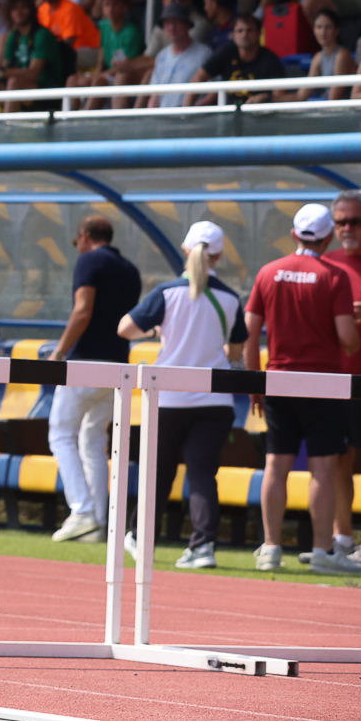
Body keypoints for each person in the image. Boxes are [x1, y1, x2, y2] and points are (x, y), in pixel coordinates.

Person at [117, 221, 247, 570]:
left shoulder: (166, 292)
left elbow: (125, 328)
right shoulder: (230, 298)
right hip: (214, 401)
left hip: (168, 399)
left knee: (158, 473)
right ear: (219, 256)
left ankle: (140, 537)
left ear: (186, 250)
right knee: (202, 475)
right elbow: (236, 352)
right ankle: (203, 546)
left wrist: (158, 331)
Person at [244, 205, 361, 573]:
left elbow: (249, 333)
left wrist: (254, 382)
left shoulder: (268, 272)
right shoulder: (334, 275)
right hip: (322, 383)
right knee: (323, 468)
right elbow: (348, 338)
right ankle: (323, 551)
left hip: (278, 380)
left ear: (294, 235)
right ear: (328, 239)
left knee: (275, 465)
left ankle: (270, 548)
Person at [47, 214, 142, 543]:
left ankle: (82, 511)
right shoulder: (130, 269)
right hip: (117, 365)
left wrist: (59, 352)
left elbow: (82, 310)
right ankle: (100, 522)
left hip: (85, 361)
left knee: (61, 433)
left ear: (85, 236)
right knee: (93, 441)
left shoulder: (89, 261)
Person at [317, 191, 361, 568]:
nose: (346, 228)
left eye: (354, 221)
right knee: (338, 458)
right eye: (340, 222)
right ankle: (342, 538)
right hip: (334, 378)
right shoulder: (326, 263)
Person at [0, 0, 68, 95]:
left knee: (14, 83)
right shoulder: (14, 35)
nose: (19, 12)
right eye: (14, 8)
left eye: (24, 7)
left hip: (46, 90)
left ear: (32, 10)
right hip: (18, 87)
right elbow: (5, 66)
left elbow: (33, 73)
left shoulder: (42, 34)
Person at [189, 13, 287, 105]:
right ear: (233, 35)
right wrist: (186, 112)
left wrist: (266, 97)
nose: (244, 35)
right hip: (229, 114)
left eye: (250, 30)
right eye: (240, 31)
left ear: (259, 34)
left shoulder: (270, 59)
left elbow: (280, 95)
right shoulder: (226, 53)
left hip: (260, 114)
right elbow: (198, 78)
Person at [139, 2, 209, 107]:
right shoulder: (161, 56)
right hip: (163, 116)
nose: (172, 28)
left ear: (187, 25)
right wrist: (152, 115)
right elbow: (155, 96)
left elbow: (214, 92)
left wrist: (191, 110)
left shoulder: (204, 54)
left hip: (192, 116)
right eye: (167, 23)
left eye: (176, 22)